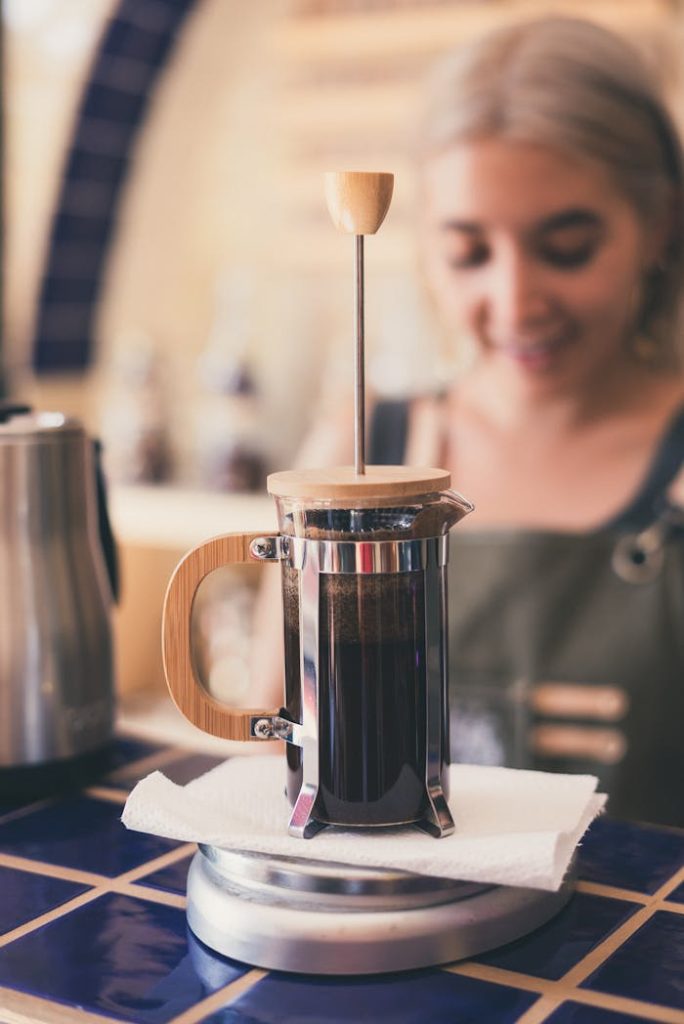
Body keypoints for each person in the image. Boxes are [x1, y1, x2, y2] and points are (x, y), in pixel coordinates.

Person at [254, 16, 684, 827]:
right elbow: (265, 722)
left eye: (567, 247)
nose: (517, 303)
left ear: (657, 226)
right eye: (469, 253)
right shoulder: (359, 450)